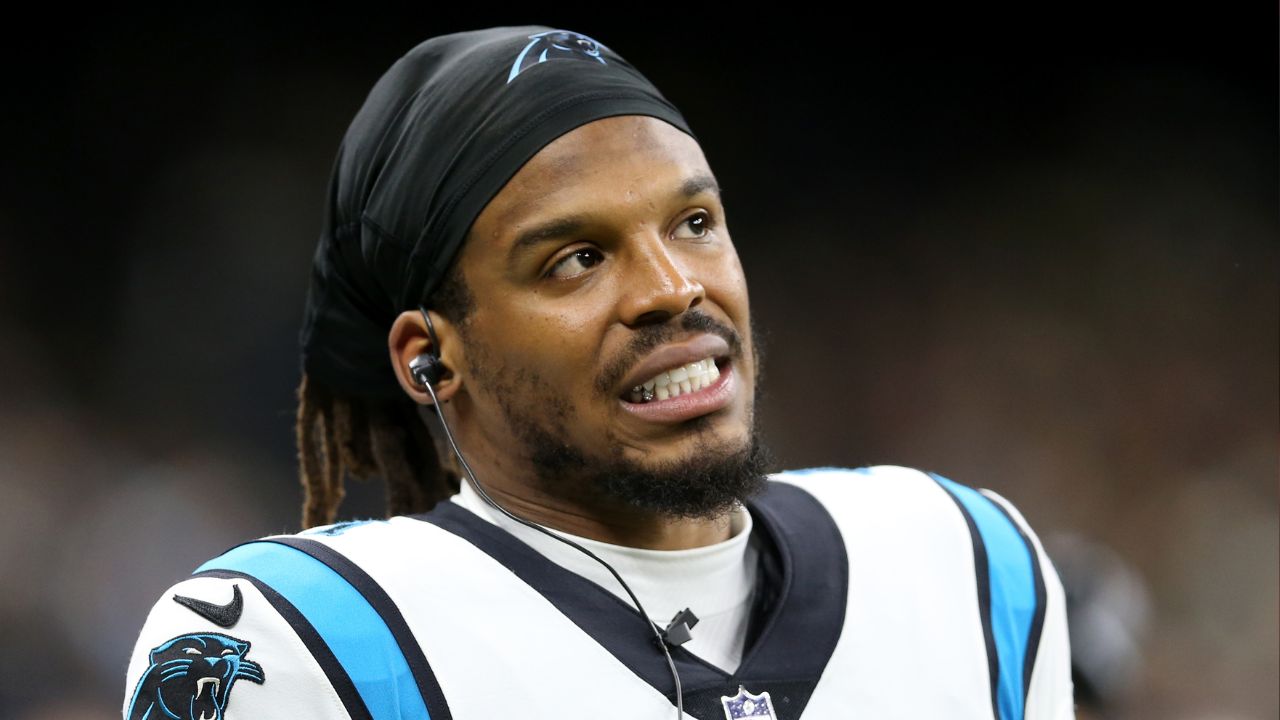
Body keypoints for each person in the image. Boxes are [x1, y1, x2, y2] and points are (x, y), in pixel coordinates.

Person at [122, 26, 1075, 719]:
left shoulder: (964, 557)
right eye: (576, 259)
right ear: (430, 358)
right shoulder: (302, 640)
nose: (672, 288)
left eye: (693, 224)